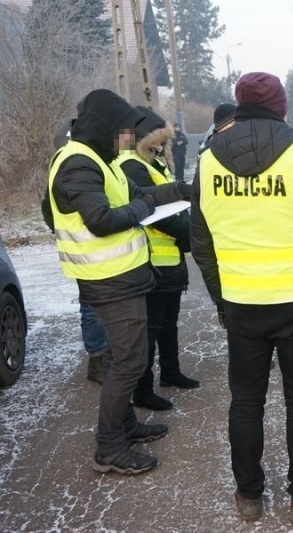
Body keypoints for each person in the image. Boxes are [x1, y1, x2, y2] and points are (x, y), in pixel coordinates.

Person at [191, 72, 293, 524]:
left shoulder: (206, 162)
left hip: (243, 301)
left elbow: (201, 243)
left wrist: (221, 298)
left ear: (239, 106)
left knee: (245, 400)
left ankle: (249, 495)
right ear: (283, 108)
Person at [48, 89, 190, 475]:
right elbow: (101, 219)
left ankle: (125, 425)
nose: (126, 140)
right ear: (104, 126)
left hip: (121, 276)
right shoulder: (78, 162)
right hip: (107, 277)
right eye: (121, 132)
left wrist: (179, 191)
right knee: (128, 362)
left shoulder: (99, 158)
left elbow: (136, 193)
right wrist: (145, 208)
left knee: (120, 358)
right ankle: (109, 447)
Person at [116, 107, 198, 412]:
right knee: (149, 330)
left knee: (168, 323)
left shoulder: (150, 162)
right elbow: (152, 209)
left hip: (168, 256)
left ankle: (171, 372)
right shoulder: (132, 166)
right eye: (157, 141)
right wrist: (188, 232)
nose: (161, 147)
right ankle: (143, 389)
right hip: (151, 259)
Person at [42, 119, 110, 384]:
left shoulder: (66, 157)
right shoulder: (73, 161)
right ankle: (97, 359)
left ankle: (102, 356)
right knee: (92, 306)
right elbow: (50, 207)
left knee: (95, 305)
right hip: (85, 248)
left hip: (92, 246)